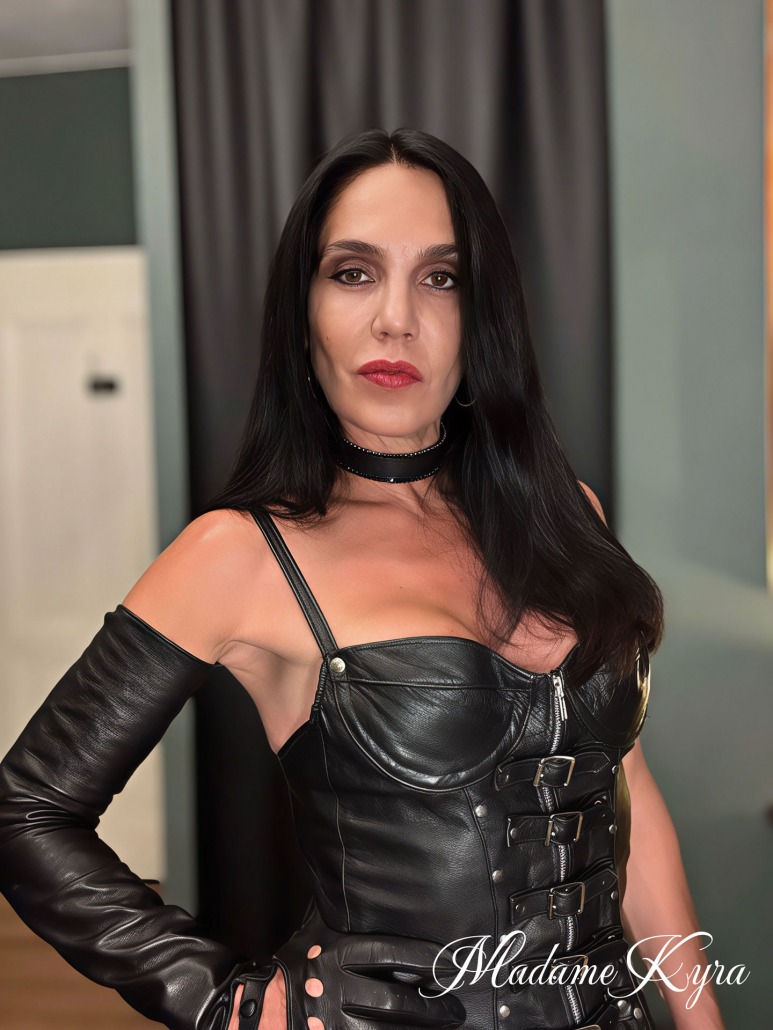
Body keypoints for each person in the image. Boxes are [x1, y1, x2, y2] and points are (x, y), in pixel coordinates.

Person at [0, 128, 725, 1030]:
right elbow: (28, 810)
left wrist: (699, 1018)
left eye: (440, 277)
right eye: (352, 273)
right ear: (302, 312)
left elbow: (626, 789)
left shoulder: (565, 515)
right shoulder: (241, 554)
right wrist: (224, 1004)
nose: (395, 319)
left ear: (483, 314)